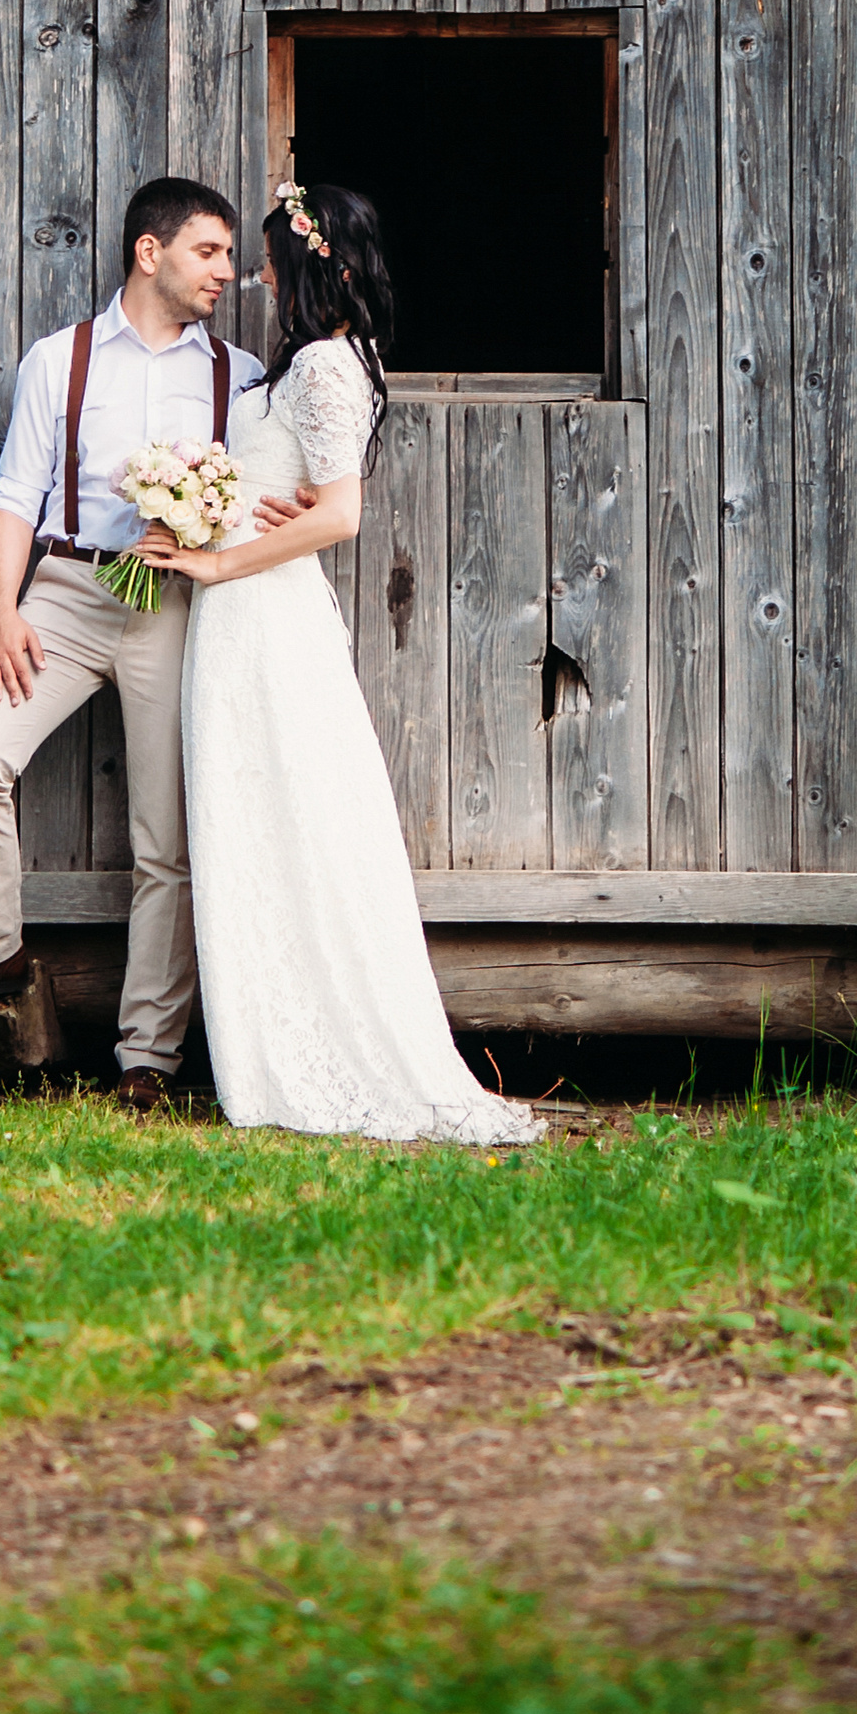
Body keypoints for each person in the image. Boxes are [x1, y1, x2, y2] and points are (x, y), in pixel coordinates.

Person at [135, 179, 539, 1146]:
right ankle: (266, 1035)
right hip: (243, 617)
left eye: (270, 255)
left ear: (309, 263)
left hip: (261, 613)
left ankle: (308, 1044)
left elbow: (340, 514)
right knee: (250, 814)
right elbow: (309, 495)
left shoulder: (324, 364)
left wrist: (216, 557)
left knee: (283, 811)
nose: (257, 272)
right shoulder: (313, 362)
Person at [0, 175, 263, 1110]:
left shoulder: (241, 376)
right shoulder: (57, 360)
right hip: (62, 593)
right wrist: (1, 607)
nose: (229, 270)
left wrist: (207, 533)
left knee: (165, 842)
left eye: (228, 253)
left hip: (175, 610)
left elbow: (269, 499)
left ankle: (147, 1057)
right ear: (152, 253)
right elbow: (15, 492)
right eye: (210, 252)